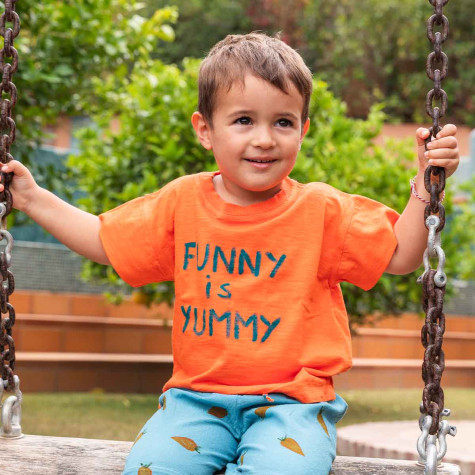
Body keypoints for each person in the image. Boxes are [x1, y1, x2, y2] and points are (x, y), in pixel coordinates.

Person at [2, 33, 459, 475]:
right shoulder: (182, 202)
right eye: (244, 120)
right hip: (194, 400)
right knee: (149, 468)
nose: (264, 139)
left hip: (294, 404)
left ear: (303, 129)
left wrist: (426, 182)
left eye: (283, 122)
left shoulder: (321, 210)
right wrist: (33, 199)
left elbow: (400, 255)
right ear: (206, 130)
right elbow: (105, 240)